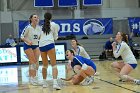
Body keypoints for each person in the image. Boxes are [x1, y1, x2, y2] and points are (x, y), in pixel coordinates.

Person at [39, 12, 61, 89]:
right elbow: (55, 37)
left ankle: (44, 83)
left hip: (41, 46)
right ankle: (55, 83)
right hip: (49, 44)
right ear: (51, 17)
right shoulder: (54, 25)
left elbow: (39, 37)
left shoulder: (41, 26)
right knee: (54, 65)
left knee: (44, 65)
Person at [20, 14, 41, 85]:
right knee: (33, 62)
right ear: (31, 19)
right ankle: (32, 79)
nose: (36, 18)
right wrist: (28, 41)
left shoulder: (39, 28)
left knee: (36, 62)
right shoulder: (28, 27)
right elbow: (22, 36)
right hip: (28, 46)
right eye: (35, 17)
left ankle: (34, 77)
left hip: (36, 45)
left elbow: (40, 37)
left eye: (37, 17)